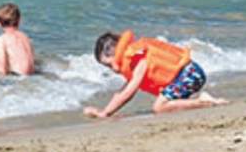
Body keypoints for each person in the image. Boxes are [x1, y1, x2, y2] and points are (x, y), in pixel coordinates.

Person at [85, 30, 227, 117]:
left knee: (159, 107)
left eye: (109, 64)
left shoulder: (136, 58)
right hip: (191, 73)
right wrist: (105, 110)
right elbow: (123, 90)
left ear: (116, 53)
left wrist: (106, 113)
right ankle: (198, 100)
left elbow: (129, 91)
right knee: (165, 102)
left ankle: (204, 102)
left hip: (189, 75)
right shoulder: (134, 56)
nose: (113, 70)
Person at [0, 3, 35, 77]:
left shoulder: (2, 39)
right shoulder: (25, 37)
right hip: (32, 74)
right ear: (20, 21)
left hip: (16, 75)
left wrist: (0, 77)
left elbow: (2, 63)